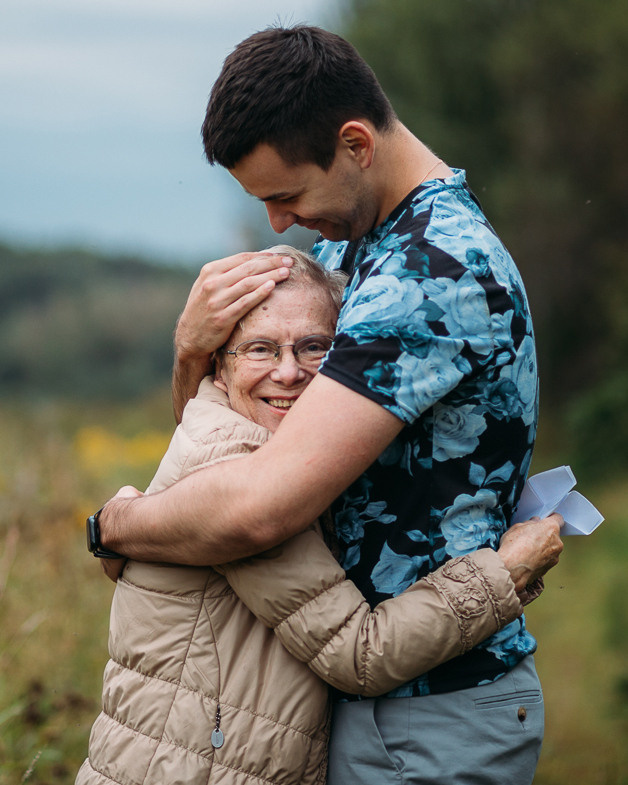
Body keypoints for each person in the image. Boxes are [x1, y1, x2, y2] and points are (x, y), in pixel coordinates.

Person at [93, 26, 563, 785]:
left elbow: (255, 509)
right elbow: (229, 439)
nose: (279, 224)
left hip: (430, 711)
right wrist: (191, 354)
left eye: (286, 195)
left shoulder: (431, 271)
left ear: (355, 144)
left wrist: (115, 525)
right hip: (362, 693)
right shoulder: (360, 247)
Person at [77, 248, 548, 785]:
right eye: (259, 348)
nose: (287, 371)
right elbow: (359, 654)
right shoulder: (241, 463)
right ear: (220, 364)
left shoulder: (255, 441)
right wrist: (505, 574)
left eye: (314, 348)